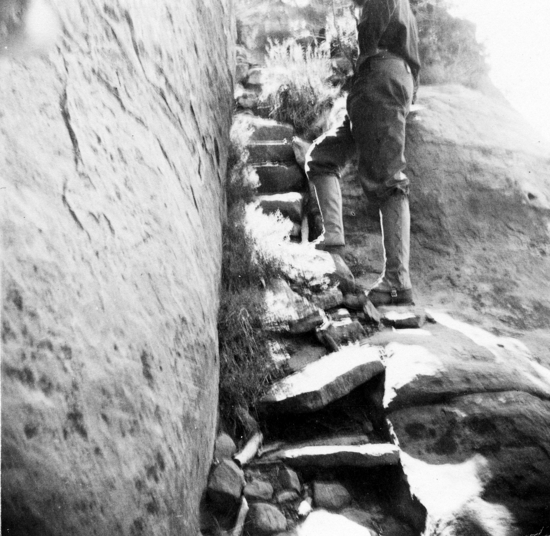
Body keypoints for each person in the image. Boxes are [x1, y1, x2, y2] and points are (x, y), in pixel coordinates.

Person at [305, 0, 420, 306]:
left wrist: (363, 62)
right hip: (381, 81)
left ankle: (397, 281)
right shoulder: (405, 8)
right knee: (321, 158)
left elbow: (370, 36)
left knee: (389, 180)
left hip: (378, 79)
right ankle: (333, 235)